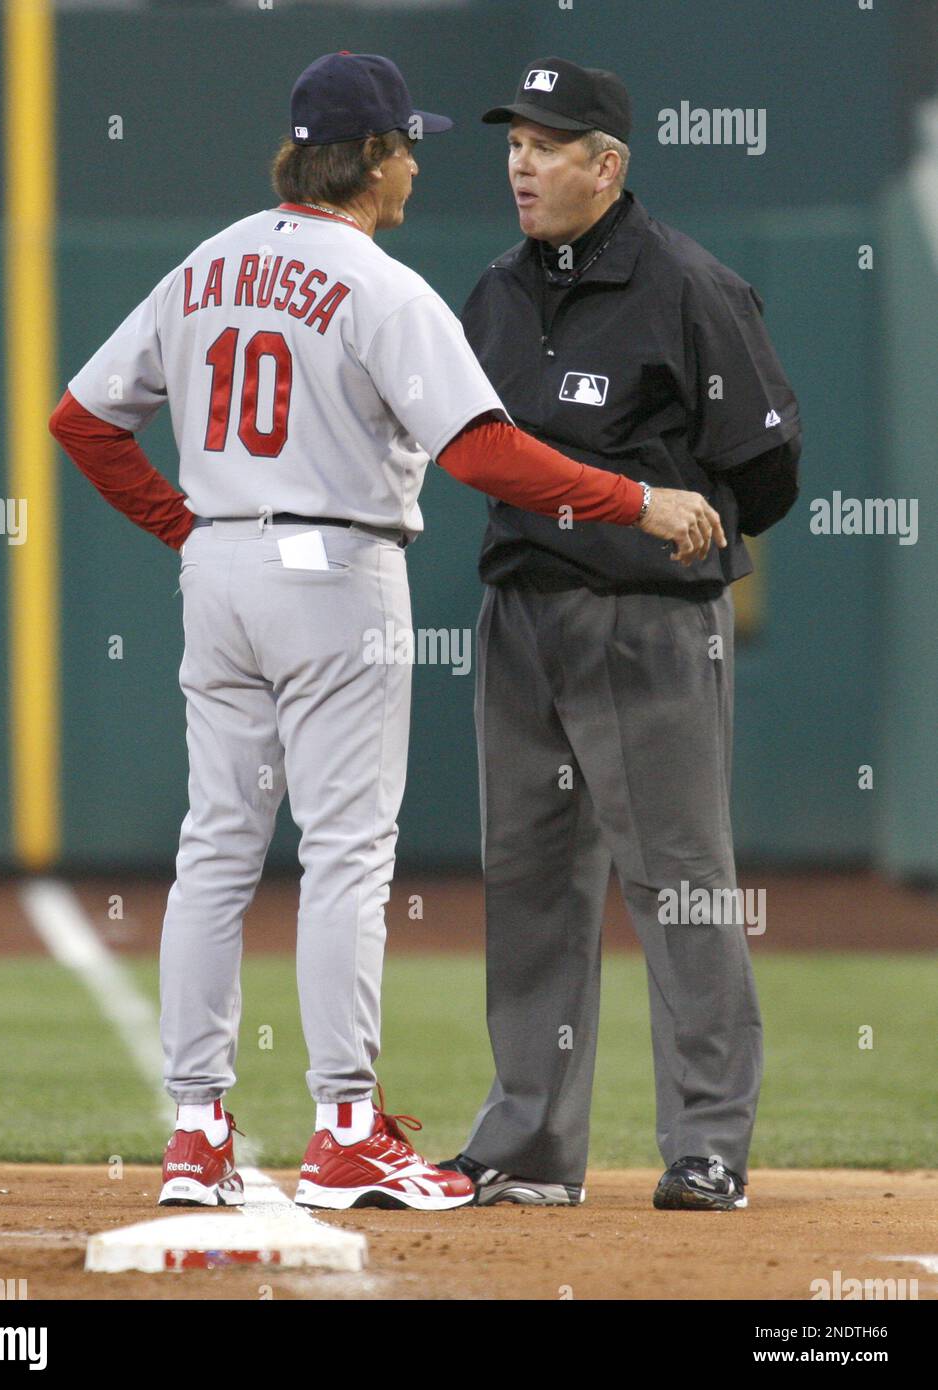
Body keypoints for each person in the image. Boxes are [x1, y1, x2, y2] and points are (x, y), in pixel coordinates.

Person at [49, 51, 721, 1213]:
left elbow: (82, 421)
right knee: (346, 854)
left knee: (214, 849)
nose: (417, 160)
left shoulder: (207, 263)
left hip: (221, 569)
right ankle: (345, 1129)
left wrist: (190, 532)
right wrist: (635, 498)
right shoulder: (377, 284)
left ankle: (197, 1135)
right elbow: (481, 453)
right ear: (367, 159)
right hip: (332, 572)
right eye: (406, 144)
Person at [440, 58, 801, 1210]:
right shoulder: (493, 291)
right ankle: (533, 1143)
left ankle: (707, 1143)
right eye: (512, 143)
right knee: (531, 883)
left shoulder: (689, 284)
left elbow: (767, 464)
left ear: (609, 164)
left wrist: (671, 547)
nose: (521, 164)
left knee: (681, 884)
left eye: (547, 145)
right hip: (519, 620)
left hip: (646, 625)